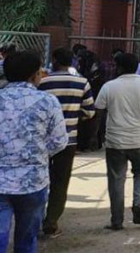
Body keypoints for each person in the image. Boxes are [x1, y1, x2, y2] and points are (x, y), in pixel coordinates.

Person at [94, 52, 140, 231]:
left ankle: (117, 220)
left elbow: (98, 113)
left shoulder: (108, 87)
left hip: (115, 142)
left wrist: (93, 136)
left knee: (116, 180)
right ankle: (138, 203)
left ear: (119, 67)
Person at [0, 52, 67, 252]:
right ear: (34, 75)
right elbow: (59, 141)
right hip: (33, 181)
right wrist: (37, 154)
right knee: (27, 239)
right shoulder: (48, 101)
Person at [36, 48, 95, 238]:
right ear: (72, 62)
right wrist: (72, 117)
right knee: (60, 182)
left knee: (39, 180)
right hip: (68, 140)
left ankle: (35, 220)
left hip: (41, 141)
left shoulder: (42, 82)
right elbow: (89, 111)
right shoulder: (81, 82)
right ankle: (51, 222)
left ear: (54, 60)